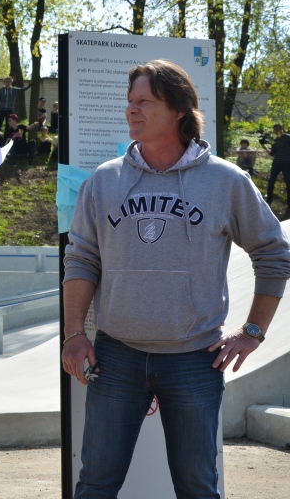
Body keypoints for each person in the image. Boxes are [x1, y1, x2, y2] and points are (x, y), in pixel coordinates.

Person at [61, 59, 290, 499]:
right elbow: (82, 259)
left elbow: (274, 254)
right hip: (116, 356)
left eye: (145, 101)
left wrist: (253, 332)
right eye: (130, 101)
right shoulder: (105, 180)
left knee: (197, 488)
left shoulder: (226, 180)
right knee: (95, 485)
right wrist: (74, 333)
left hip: (194, 360)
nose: (131, 110)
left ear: (179, 110)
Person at [262, 123, 290, 212]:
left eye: (277, 129)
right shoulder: (275, 140)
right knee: (271, 181)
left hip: (287, 163)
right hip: (276, 164)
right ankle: (269, 200)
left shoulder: (288, 138)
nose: (276, 131)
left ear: (281, 128)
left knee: (288, 182)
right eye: (275, 130)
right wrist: (264, 146)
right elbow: (272, 153)